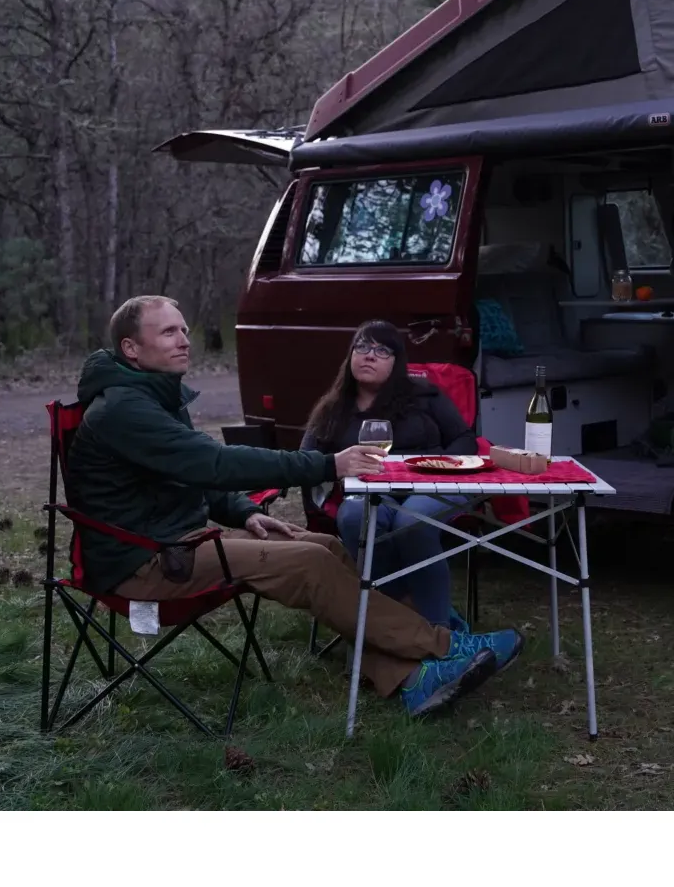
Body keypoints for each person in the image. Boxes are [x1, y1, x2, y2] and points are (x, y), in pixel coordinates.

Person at [65, 294, 522, 718]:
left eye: (184, 330)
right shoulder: (124, 408)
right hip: (145, 558)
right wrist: (327, 465)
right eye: (168, 332)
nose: (185, 340)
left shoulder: (152, 393)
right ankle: (442, 648)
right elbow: (215, 463)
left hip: (178, 538)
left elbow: (193, 473)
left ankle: (410, 677)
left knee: (326, 545)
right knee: (308, 564)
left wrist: (244, 512)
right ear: (131, 347)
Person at [301, 320, 479, 636]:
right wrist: (336, 466)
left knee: (412, 521)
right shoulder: (333, 409)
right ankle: (399, 615)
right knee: (355, 515)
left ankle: (440, 633)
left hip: (433, 484)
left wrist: (442, 467)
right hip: (370, 493)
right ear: (350, 355)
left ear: (397, 362)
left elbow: (464, 438)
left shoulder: (425, 395)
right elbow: (307, 460)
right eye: (362, 346)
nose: (369, 355)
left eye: (382, 350)